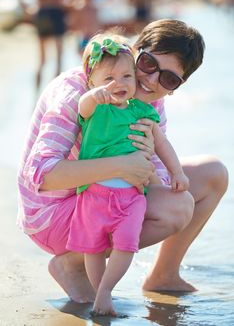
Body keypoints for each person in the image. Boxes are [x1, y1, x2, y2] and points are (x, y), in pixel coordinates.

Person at [17, 19, 228, 305]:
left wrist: (148, 162)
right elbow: (42, 174)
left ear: (177, 86)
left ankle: (163, 274)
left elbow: (156, 181)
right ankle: (73, 263)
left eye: (169, 78)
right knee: (177, 208)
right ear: (134, 50)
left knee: (213, 174)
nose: (151, 80)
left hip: (104, 193)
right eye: (149, 63)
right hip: (52, 212)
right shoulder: (78, 89)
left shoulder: (150, 103)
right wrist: (120, 165)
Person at [74, 35, 189, 315]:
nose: (120, 83)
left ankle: (105, 291)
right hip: (94, 194)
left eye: (127, 75)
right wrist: (93, 95)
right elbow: (82, 107)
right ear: (92, 82)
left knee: (127, 244)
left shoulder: (143, 111)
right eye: (108, 79)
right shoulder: (95, 108)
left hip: (131, 197)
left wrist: (177, 172)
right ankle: (100, 290)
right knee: (93, 249)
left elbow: (162, 144)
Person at [8, 0, 67, 90]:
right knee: (59, 58)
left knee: (42, 60)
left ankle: (36, 96)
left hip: (42, 11)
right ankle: (57, 95)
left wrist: (26, 7)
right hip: (55, 10)